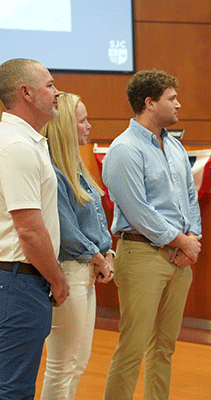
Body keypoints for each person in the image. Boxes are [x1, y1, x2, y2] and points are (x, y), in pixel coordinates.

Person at [102, 69, 203, 400]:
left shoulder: (174, 146)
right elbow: (138, 211)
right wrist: (182, 240)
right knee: (132, 350)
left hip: (179, 257)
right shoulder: (124, 149)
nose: (179, 104)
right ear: (149, 103)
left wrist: (192, 241)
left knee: (165, 348)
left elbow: (190, 197)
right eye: (172, 98)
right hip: (141, 255)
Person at [0, 58, 70, 399]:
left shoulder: (21, 141)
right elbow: (28, 229)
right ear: (26, 93)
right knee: (15, 389)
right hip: (18, 282)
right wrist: (57, 280)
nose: (58, 93)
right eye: (50, 85)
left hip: (16, 280)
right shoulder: (18, 147)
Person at [38, 93, 114, 399]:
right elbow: (66, 231)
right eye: (82, 120)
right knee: (62, 365)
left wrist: (106, 252)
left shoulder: (76, 167)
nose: (89, 125)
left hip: (86, 271)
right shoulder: (53, 171)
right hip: (68, 271)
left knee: (78, 363)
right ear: (66, 126)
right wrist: (100, 257)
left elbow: (94, 220)